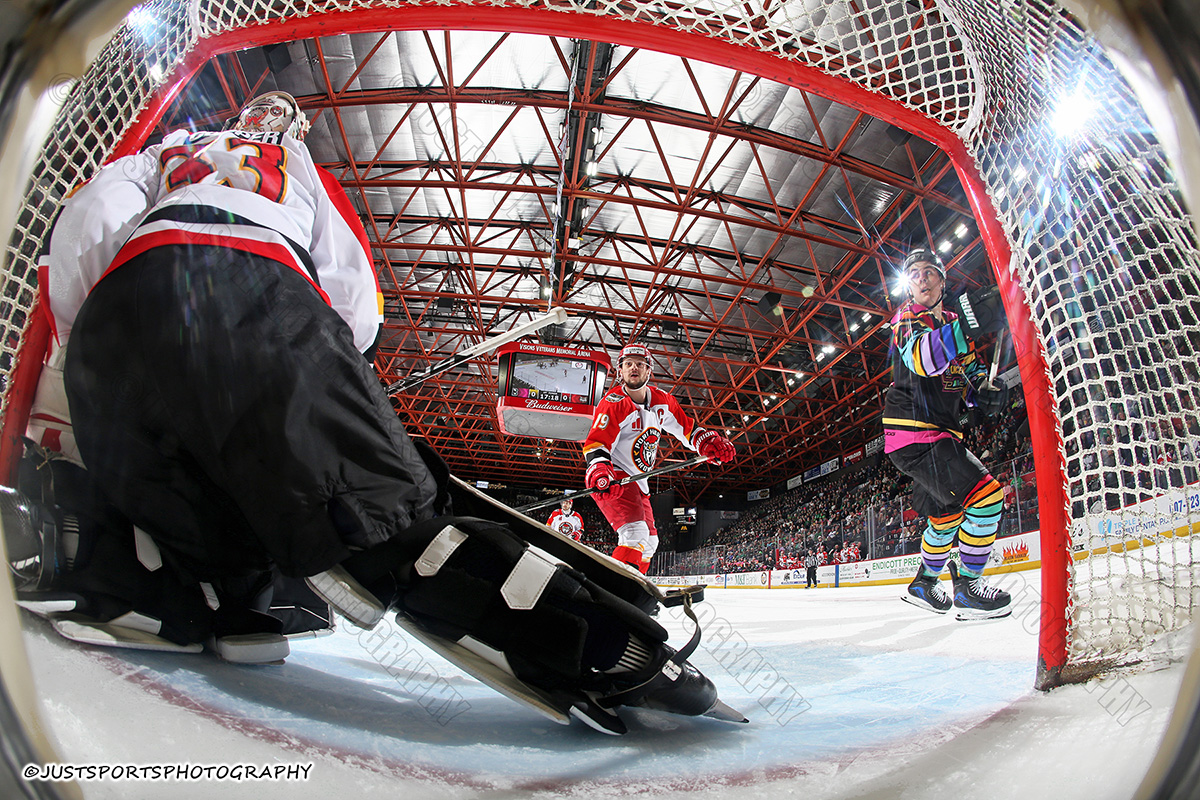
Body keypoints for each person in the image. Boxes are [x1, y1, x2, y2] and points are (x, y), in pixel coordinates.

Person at [29, 91, 738, 730]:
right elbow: (353, 296)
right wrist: (333, 370)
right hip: (253, 291)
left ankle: (180, 590)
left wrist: (104, 334)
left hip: (114, 326)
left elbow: (88, 224)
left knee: (200, 501)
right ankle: (603, 649)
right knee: (382, 518)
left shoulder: (162, 154)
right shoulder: (293, 161)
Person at [885, 247, 1012, 620]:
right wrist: (966, 326)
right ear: (909, 286)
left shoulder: (956, 321)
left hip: (937, 435)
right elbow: (922, 360)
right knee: (988, 497)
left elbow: (969, 378)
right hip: (916, 435)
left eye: (929, 272)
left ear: (942, 280)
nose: (922, 278)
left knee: (946, 518)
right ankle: (969, 588)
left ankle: (924, 583)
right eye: (915, 274)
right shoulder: (907, 318)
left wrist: (987, 392)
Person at [581, 343, 736, 573]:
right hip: (615, 478)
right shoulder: (613, 403)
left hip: (639, 482)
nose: (634, 368)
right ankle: (615, 590)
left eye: (640, 364)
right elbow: (596, 443)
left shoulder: (663, 400)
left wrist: (707, 442)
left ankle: (634, 588)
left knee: (651, 542)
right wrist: (599, 469)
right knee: (635, 533)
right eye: (628, 364)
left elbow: (688, 430)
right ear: (620, 371)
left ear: (648, 370)